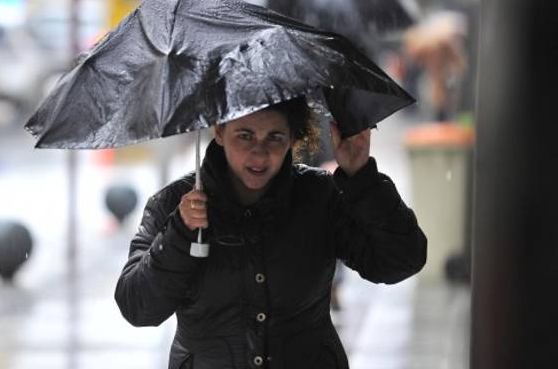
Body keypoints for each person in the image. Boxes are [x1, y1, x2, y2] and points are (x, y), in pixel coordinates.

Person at [114, 98, 427, 369]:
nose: (259, 154)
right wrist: (180, 233)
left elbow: (400, 261)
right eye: (245, 136)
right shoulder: (172, 204)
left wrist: (361, 177)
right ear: (219, 131)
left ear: (293, 137)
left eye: (274, 137)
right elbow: (138, 306)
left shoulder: (319, 197)